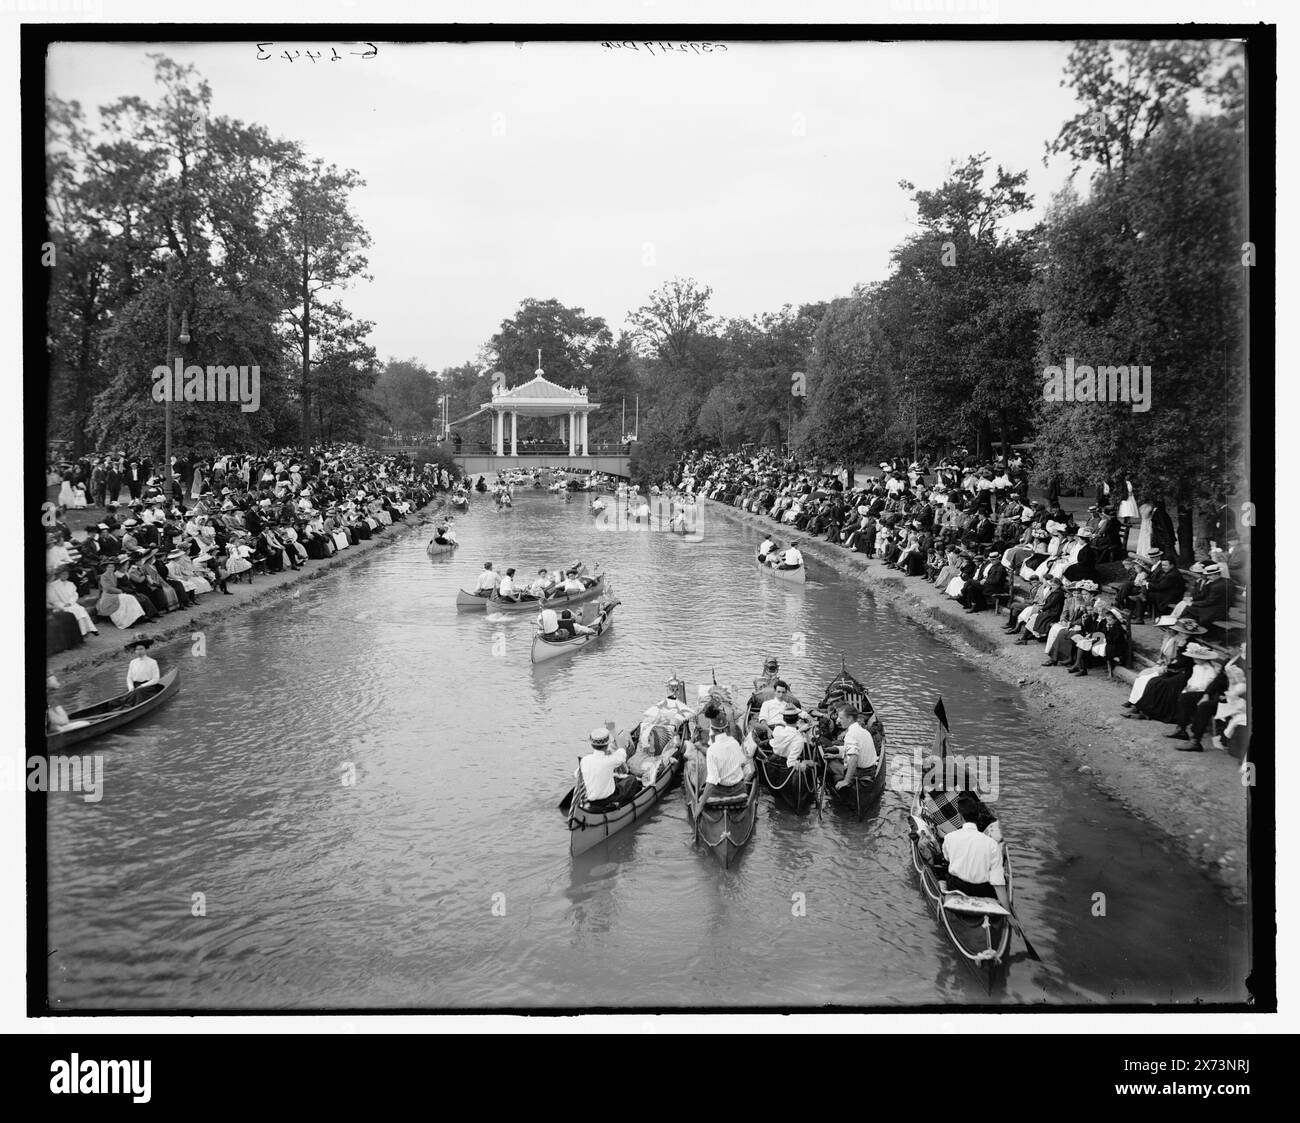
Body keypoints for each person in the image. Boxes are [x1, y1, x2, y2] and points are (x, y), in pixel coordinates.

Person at [941, 793, 1012, 912]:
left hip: (958, 887)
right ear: (978, 816)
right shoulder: (992, 844)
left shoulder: (949, 838)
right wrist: (1008, 913)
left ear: (960, 817)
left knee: (944, 872)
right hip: (983, 890)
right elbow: (998, 882)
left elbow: (947, 858)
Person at [576, 727, 640, 807]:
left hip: (590, 799)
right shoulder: (610, 759)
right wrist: (613, 731)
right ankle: (623, 803)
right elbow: (622, 751)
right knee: (632, 779)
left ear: (592, 745)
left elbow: (577, 775)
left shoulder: (585, 760)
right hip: (608, 799)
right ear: (607, 745)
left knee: (613, 777)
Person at [696, 708, 748, 808]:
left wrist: (699, 806)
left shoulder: (712, 750)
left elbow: (711, 782)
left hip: (720, 791)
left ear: (712, 728)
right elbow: (743, 761)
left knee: (701, 793)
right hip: (738, 789)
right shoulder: (734, 743)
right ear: (726, 728)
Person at [828, 704, 879, 790]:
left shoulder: (851, 734)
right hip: (871, 770)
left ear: (850, 719)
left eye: (841, 718)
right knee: (835, 759)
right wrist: (835, 754)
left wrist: (846, 781)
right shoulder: (863, 731)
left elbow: (854, 758)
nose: (837, 720)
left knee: (831, 764)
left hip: (860, 773)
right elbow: (858, 751)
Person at [123, 636, 162, 701]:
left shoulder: (152, 662)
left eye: (141, 649)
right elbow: (129, 678)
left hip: (148, 687)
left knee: (138, 693)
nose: (139, 651)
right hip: (135, 687)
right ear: (135, 651)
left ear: (145, 650)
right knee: (128, 696)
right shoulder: (133, 662)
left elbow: (156, 679)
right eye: (137, 650)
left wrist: (142, 686)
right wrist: (131, 688)